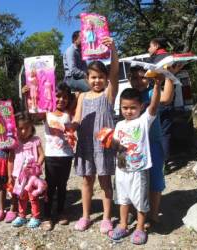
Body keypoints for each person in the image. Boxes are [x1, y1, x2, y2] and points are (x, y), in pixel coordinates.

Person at [72, 36, 119, 232]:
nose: (97, 80)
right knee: (86, 181)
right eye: (93, 77)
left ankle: (107, 218)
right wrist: (70, 127)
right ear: (87, 79)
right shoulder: (82, 96)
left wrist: (113, 50)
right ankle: (85, 216)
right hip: (85, 145)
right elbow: (77, 118)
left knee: (105, 182)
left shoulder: (108, 94)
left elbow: (115, 72)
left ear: (106, 79)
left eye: (101, 76)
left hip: (104, 145)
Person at [110, 77, 162, 245]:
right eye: (125, 107)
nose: (129, 111)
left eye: (133, 107)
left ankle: (140, 228)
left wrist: (157, 87)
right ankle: (123, 225)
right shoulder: (119, 126)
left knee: (140, 201)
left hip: (139, 170)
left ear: (141, 107)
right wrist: (110, 142)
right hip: (122, 169)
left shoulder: (143, 121)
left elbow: (154, 107)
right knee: (123, 199)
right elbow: (116, 146)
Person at [129, 65, 181, 228]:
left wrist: (169, 76)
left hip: (153, 144)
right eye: (135, 78)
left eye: (142, 77)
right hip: (134, 146)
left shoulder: (152, 92)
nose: (138, 81)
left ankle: (153, 214)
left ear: (149, 78)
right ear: (130, 80)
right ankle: (133, 211)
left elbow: (166, 98)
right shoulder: (130, 96)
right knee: (133, 179)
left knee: (155, 179)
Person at [22, 82, 75, 231]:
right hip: (51, 157)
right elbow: (32, 114)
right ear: (52, 97)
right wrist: (28, 96)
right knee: (49, 187)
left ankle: (61, 212)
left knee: (63, 185)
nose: (61, 100)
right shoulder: (47, 112)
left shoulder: (70, 113)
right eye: (58, 96)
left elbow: (79, 97)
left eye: (65, 97)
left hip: (66, 156)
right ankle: (46, 216)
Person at [10, 114, 45, 228]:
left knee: (33, 196)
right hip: (19, 176)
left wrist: (37, 165)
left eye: (27, 128)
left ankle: (36, 216)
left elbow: (42, 155)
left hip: (32, 177)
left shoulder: (35, 140)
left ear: (32, 127)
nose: (23, 131)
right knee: (21, 196)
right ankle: (22, 215)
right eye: (20, 128)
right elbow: (11, 158)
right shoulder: (15, 141)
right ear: (16, 128)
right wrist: (11, 175)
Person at [148, 38, 174, 169]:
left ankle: (160, 162)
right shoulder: (171, 57)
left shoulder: (153, 60)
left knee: (157, 132)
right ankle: (166, 162)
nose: (148, 49)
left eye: (150, 46)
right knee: (165, 132)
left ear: (156, 46)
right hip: (168, 97)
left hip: (155, 98)